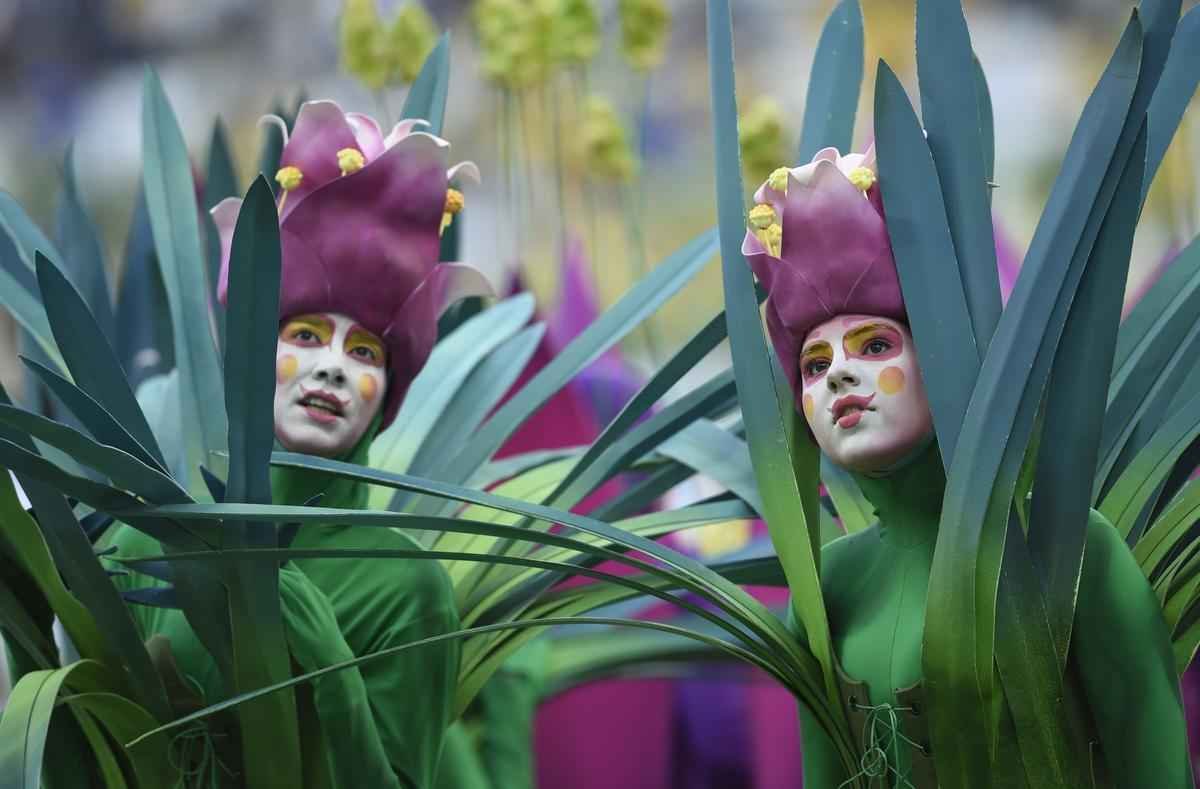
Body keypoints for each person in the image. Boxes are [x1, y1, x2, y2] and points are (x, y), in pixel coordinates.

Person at [742, 147, 1191, 787]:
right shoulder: (830, 586)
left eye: (876, 346)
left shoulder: (1065, 549)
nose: (839, 373)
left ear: (946, 360)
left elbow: (1155, 765)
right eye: (814, 365)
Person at [106, 100, 490, 788]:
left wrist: (335, 671)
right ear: (256, 357)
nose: (333, 367)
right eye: (306, 336)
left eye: (366, 350)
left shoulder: (412, 593)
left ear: (387, 393)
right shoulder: (145, 544)